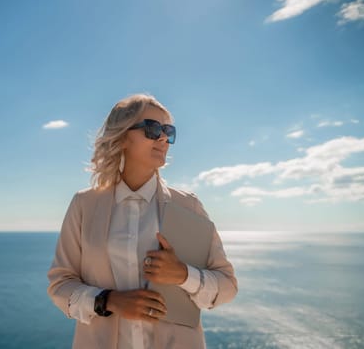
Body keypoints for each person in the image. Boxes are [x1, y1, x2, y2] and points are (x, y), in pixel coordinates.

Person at [47, 94, 238, 349]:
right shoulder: (84, 205)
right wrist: (108, 301)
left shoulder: (188, 205)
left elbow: (227, 286)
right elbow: (61, 284)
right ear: (123, 136)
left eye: (168, 131)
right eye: (153, 128)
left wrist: (183, 274)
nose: (162, 138)